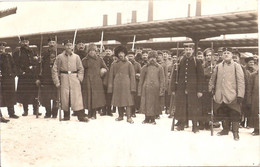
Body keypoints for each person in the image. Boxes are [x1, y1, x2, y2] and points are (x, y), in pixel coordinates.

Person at [209, 47, 245, 141]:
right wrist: (211, 88)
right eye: (224, 53)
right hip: (220, 94)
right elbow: (213, 79)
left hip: (232, 95)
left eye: (228, 53)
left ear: (232, 54)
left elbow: (241, 81)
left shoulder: (236, 66)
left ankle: (235, 132)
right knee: (223, 112)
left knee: (234, 113)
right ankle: (225, 129)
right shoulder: (218, 66)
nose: (226, 54)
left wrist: (240, 95)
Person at [169, 43, 204, 133]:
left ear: (193, 50)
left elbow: (201, 77)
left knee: (193, 107)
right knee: (181, 107)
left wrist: (200, 90)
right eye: (186, 50)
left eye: (190, 50)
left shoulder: (197, 61)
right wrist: (173, 88)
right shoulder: (180, 61)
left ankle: (195, 126)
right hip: (181, 88)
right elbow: (174, 75)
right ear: (184, 50)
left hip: (193, 89)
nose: (188, 51)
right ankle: (181, 124)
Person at [52, 39, 88, 122]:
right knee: (65, 97)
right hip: (64, 77)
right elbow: (54, 69)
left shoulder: (76, 57)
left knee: (77, 97)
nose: (69, 47)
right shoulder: (59, 57)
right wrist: (57, 81)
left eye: (70, 45)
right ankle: (66, 115)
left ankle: (80, 116)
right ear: (65, 46)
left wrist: (79, 78)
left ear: (73, 46)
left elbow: (80, 68)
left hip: (74, 78)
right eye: (67, 45)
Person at [13, 37, 41, 116]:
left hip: (32, 75)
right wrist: (20, 73)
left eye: (26, 41)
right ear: (20, 42)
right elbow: (15, 65)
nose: (25, 43)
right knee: (25, 93)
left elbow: (37, 63)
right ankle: (25, 110)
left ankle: (36, 110)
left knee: (34, 92)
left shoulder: (33, 51)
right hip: (24, 76)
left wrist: (36, 63)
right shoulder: (17, 52)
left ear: (29, 42)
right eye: (23, 42)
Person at [107, 45, 136, 124]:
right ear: (117, 54)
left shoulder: (129, 64)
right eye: (119, 53)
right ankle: (120, 116)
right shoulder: (114, 64)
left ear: (125, 54)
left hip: (127, 85)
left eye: (122, 53)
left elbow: (132, 76)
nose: (120, 54)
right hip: (117, 85)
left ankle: (129, 117)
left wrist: (133, 88)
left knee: (128, 101)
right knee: (119, 100)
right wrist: (110, 87)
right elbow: (111, 76)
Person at [81, 43, 108, 119]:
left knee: (95, 98)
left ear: (96, 51)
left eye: (93, 50)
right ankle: (89, 113)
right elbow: (81, 70)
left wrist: (103, 71)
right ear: (88, 51)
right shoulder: (84, 60)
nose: (92, 52)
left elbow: (105, 68)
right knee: (88, 97)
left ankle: (94, 113)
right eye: (90, 50)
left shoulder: (100, 59)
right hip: (87, 81)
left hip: (97, 81)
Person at [138, 50, 165, 124]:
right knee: (146, 103)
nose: (152, 59)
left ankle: (153, 119)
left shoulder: (160, 68)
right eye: (150, 58)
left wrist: (161, 90)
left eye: (154, 58)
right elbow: (141, 80)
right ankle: (146, 118)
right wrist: (139, 91)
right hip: (146, 89)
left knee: (155, 103)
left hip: (156, 89)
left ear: (156, 58)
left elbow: (162, 80)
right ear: (148, 59)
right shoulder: (144, 67)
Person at [39, 37, 59, 118]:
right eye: (50, 43)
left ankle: (55, 113)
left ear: (55, 44)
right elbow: (40, 67)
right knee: (46, 95)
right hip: (46, 77)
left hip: (56, 77)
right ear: (48, 44)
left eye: (53, 43)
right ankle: (48, 112)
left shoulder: (59, 53)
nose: (52, 44)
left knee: (56, 95)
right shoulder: (44, 54)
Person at [0, 41, 19, 119]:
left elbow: (13, 65)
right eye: (0, 47)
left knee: (10, 95)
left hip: (9, 79)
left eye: (3, 47)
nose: (1, 49)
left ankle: (11, 113)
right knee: (1, 96)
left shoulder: (8, 56)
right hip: (1, 79)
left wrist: (13, 74)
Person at [127, 51, 141, 117]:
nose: (130, 58)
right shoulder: (126, 64)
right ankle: (127, 111)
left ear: (134, 56)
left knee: (134, 98)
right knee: (127, 98)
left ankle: (133, 112)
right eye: (129, 56)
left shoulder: (137, 64)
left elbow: (141, 73)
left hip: (135, 83)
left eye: (131, 56)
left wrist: (138, 75)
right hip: (127, 83)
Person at [101, 46, 114, 116]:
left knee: (110, 95)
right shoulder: (102, 60)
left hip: (111, 80)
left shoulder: (114, 61)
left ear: (112, 52)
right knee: (103, 95)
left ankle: (109, 110)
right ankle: (103, 110)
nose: (108, 52)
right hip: (103, 79)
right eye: (107, 51)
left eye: (109, 51)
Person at [247, 70, 259, 135]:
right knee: (256, 114)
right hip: (256, 98)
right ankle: (257, 129)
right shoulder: (254, 75)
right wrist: (249, 99)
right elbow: (249, 89)